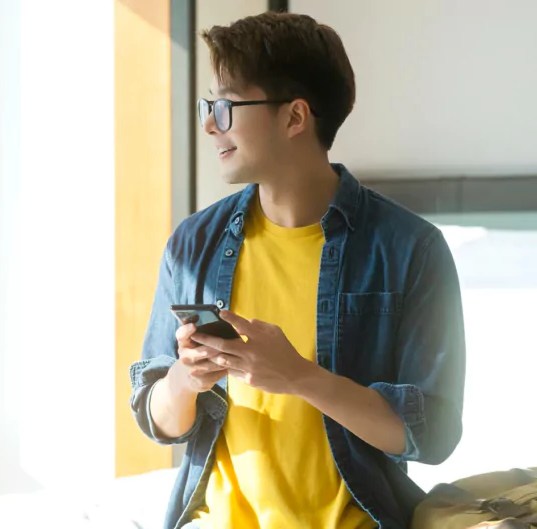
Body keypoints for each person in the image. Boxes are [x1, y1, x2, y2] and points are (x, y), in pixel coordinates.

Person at [129, 12, 466, 529]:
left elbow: (434, 433)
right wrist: (185, 379)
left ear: (294, 118)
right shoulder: (193, 244)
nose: (209, 124)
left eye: (225, 105)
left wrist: (299, 376)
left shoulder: (411, 250)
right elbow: (158, 420)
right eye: (207, 105)